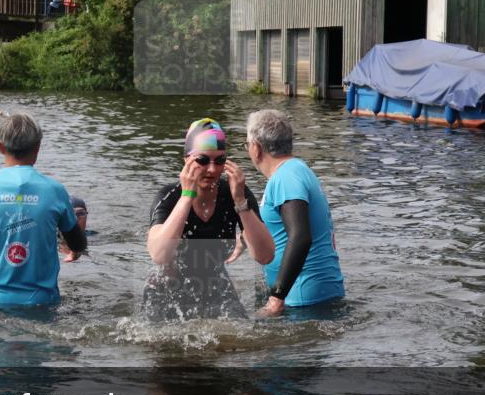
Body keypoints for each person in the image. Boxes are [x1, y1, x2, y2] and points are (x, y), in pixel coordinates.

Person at [143, 118, 274, 322]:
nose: (212, 169)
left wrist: (240, 202)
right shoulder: (169, 196)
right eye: (203, 160)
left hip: (216, 285)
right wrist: (187, 195)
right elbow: (159, 255)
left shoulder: (235, 194)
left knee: (242, 339)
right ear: (187, 159)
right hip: (167, 287)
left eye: (220, 161)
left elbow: (265, 256)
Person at [0, 113, 86, 307]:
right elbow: (77, 244)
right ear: (38, 147)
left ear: (0, 147)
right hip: (42, 304)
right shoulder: (55, 191)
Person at [245, 110, 345, 318]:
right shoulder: (295, 170)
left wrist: (276, 299)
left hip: (302, 299)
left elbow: (300, 236)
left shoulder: (286, 177)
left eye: (246, 145)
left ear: (256, 148)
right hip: (312, 295)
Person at [59, 196, 88, 263]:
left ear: (86, 216)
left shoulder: (96, 238)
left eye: (80, 213)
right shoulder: (51, 239)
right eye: (70, 214)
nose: (75, 218)